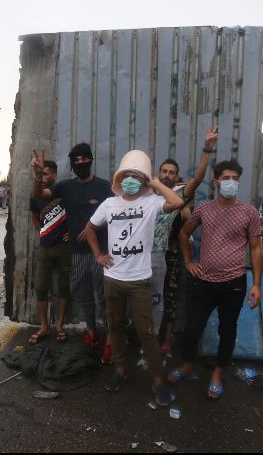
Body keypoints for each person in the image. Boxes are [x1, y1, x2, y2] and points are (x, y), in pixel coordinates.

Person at [84, 149, 184, 405]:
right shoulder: (109, 204)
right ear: (120, 179)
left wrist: (156, 182)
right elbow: (90, 229)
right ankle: (119, 369)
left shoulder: (151, 203)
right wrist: (98, 256)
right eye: (126, 175)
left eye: (136, 176)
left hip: (140, 280)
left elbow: (177, 203)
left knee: (146, 332)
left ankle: (158, 380)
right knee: (115, 327)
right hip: (113, 279)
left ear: (143, 180)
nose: (130, 180)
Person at [168, 159, 263, 401]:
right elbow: (183, 233)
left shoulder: (249, 212)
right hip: (204, 281)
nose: (231, 183)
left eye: (235, 179)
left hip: (234, 283)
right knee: (192, 329)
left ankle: (218, 374)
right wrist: (189, 262)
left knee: (227, 329)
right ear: (216, 182)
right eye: (227, 178)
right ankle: (188, 365)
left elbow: (255, 248)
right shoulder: (203, 209)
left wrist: (256, 284)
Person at [31, 143, 114, 363]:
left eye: (84, 159)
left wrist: (91, 229)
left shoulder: (105, 187)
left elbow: (115, 215)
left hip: (101, 254)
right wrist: (38, 175)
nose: (80, 163)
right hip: (77, 254)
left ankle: (110, 340)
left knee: (105, 298)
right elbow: (40, 194)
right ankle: (91, 331)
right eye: (75, 160)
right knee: (84, 296)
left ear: (91, 160)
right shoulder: (66, 187)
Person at [151, 127, 217, 349]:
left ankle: (167, 336)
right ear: (158, 173)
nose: (167, 175)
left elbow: (198, 178)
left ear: (176, 176)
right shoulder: (147, 194)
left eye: (171, 172)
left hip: (170, 253)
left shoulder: (180, 192)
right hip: (146, 254)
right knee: (147, 294)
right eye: (164, 171)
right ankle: (147, 335)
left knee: (168, 295)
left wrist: (207, 149)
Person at [28, 160, 71, 345]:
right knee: (41, 286)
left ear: (54, 175)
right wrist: (44, 233)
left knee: (63, 286)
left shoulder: (64, 192)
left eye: (46, 174)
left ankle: (60, 324)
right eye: (41, 174)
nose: (43, 178)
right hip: (44, 248)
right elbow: (35, 218)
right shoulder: (36, 195)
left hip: (64, 248)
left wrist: (71, 231)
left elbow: (78, 213)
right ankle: (45, 326)